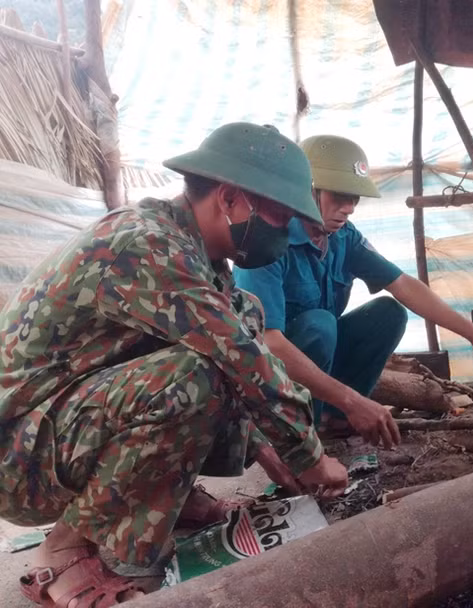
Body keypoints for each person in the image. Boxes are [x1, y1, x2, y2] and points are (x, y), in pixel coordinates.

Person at [0, 123, 348, 607]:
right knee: (196, 374)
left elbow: (241, 337)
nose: (287, 229)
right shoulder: (143, 245)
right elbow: (241, 359)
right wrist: (308, 456)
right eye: (280, 213)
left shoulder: (200, 260)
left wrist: (267, 449)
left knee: (243, 314)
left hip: (58, 433)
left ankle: (170, 501)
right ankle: (66, 547)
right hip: (18, 457)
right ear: (229, 199)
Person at [233, 135, 473, 448]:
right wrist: (353, 399)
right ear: (307, 188)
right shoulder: (267, 241)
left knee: (388, 314)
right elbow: (268, 343)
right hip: (266, 377)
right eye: (340, 196)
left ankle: (336, 420)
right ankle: (298, 437)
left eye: (355, 198)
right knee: (320, 324)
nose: (349, 208)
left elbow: (403, 285)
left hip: (318, 367)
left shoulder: (343, 238)